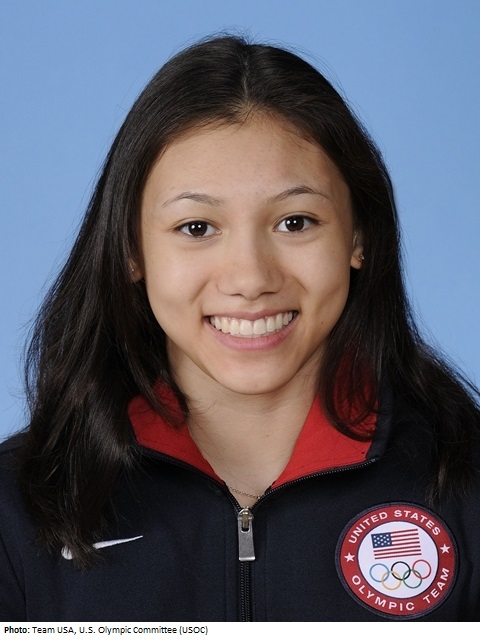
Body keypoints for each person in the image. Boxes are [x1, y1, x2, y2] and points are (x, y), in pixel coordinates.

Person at [0, 35, 479, 623]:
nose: (251, 279)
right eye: (197, 227)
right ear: (131, 250)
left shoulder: (466, 485)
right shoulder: (16, 509)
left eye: (295, 222)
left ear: (359, 237)